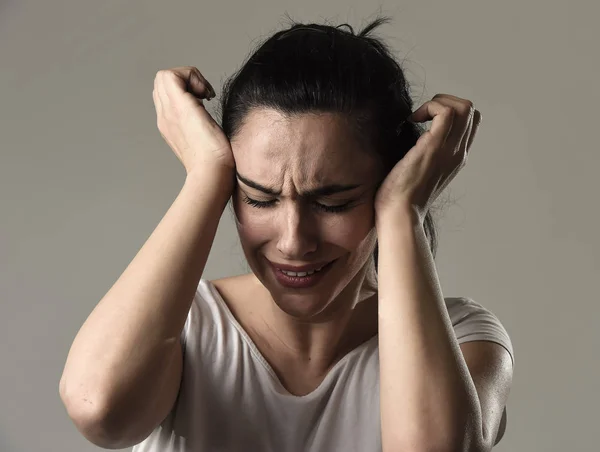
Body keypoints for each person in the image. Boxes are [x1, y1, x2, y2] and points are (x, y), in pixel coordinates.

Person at [59, 17, 514, 452]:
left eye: (333, 202)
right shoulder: (182, 324)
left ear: (394, 180)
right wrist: (205, 174)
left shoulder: (463, 338)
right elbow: (98, 409)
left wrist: (403, 210)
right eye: (258, 198)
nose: (294, 242)